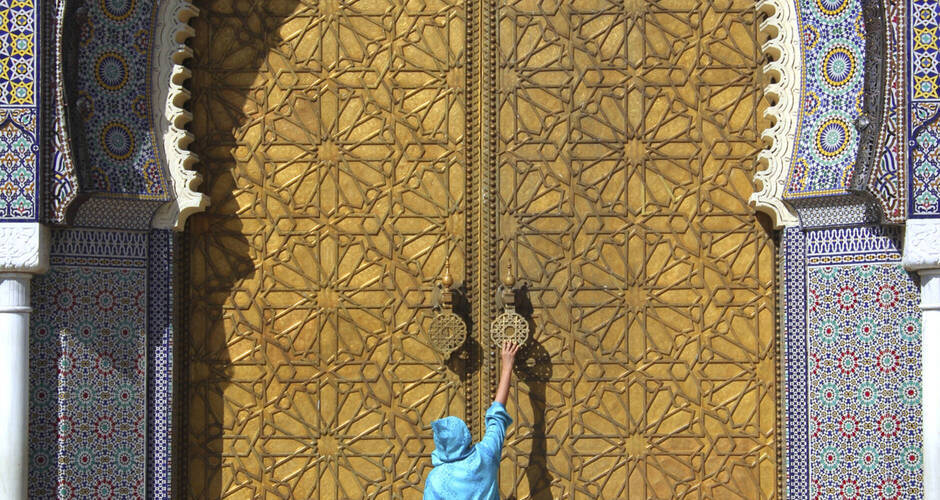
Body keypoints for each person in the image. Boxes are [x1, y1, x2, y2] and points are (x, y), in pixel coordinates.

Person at [423, 341, 521, 500]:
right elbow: (497, 416)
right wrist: (507, 365)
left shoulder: (436, 480)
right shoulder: (484, 458)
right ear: (465, 437)